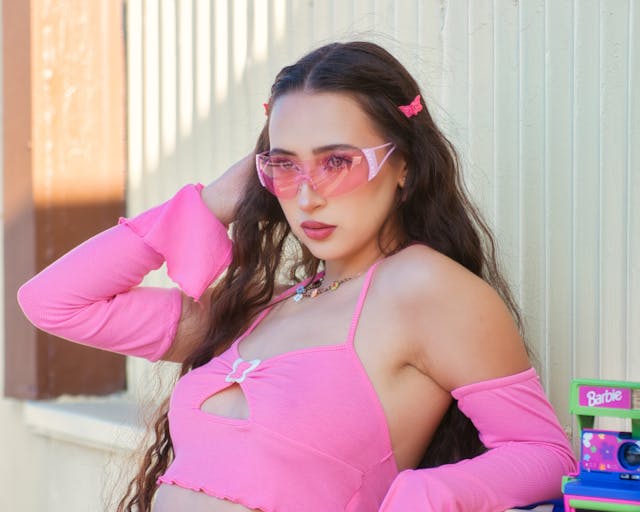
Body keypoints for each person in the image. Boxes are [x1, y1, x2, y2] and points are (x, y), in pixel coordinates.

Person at [18, 41, 576, 512]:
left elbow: (546, 452)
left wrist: (424, 495)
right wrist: (210, 203)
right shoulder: (261, 306)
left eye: (337, 162)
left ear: (403, 166)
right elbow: (54, 302)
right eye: (285, 164)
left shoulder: (426, 290)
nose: (308, 195)